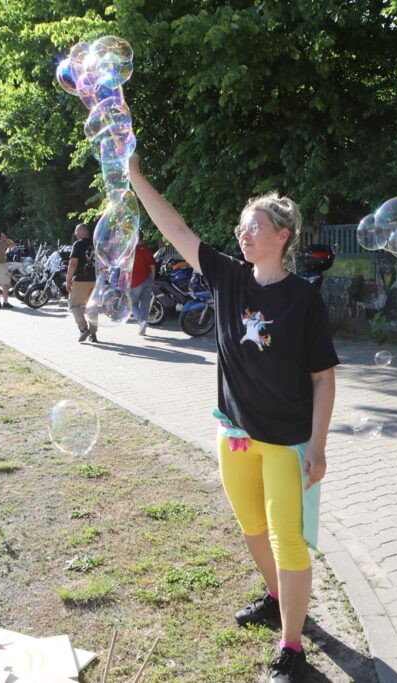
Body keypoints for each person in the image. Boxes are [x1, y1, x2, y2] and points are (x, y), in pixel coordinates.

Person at [129, 154, 337, 682]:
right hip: (235, 434)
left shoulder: (303, 299)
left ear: (282, 236)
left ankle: (292, 648)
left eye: (255, 226)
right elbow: (175, 228)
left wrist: (318, 446)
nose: (243, 233)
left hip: (287, 441)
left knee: (288, 541)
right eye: (241, 226)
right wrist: (135, 176)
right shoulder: (227, 276)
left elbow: (323, 378)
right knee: (252, 527)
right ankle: (276, 597)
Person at [65, 223, 98, 343]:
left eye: (77, 231)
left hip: (81, 280)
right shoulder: (96, 243)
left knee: (74, 304)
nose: (75, 233)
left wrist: (68, 279)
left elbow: (73, 263)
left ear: (84, 231)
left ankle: (84, 329)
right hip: (95, 280)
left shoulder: (78, 244)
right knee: (92, 306)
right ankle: (93, 334)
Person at [128, 240, 156, 336]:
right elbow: (152, 266)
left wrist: (121, 280)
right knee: (145, 305)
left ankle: (142, 321)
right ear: (142, 240)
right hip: (147, 280)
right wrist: (152, 279)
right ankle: (142, 329)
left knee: (132, 304)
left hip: (134, 282)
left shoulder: (130, 250)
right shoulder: (147, 250)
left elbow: (125, 268)